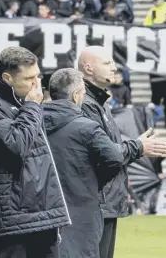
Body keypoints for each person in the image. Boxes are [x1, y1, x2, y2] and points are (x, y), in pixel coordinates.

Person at [0, 47, 70, 258]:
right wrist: (32, 105)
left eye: (38, 76)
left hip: (41, 211)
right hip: (11, 217)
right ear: (7, 78)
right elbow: (17, 144)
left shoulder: (23, 102)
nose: (37, 84)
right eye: (29, 78)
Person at [78, 46, 166, 258]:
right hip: (95, 201)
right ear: (88, 68)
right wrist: (139, 147)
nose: (114, 67)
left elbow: (109, 148)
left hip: (105, 200)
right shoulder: (86, 104)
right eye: (107, 63)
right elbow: (105, 154)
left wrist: (139, 146)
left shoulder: (99, 102)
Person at [44, 68, 127, 258]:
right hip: (82, 208)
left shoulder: (32, 122)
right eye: (82, 92)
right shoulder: (86, 127)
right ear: (75, 96)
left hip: (45, 210)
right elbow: (114, 157)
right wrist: (95, 180)